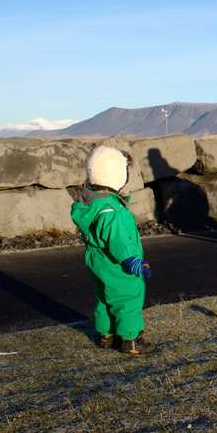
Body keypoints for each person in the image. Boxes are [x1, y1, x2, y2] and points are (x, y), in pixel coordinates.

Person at [71, 145, 154, 355]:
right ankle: (131, 339)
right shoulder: (114, 212)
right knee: (128, 299)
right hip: (118, 266)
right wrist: (134, 261)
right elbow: (119, 242)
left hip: (98, 263)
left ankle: (106, 336)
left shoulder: (90, 205)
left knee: (104, 298)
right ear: (117, 175)